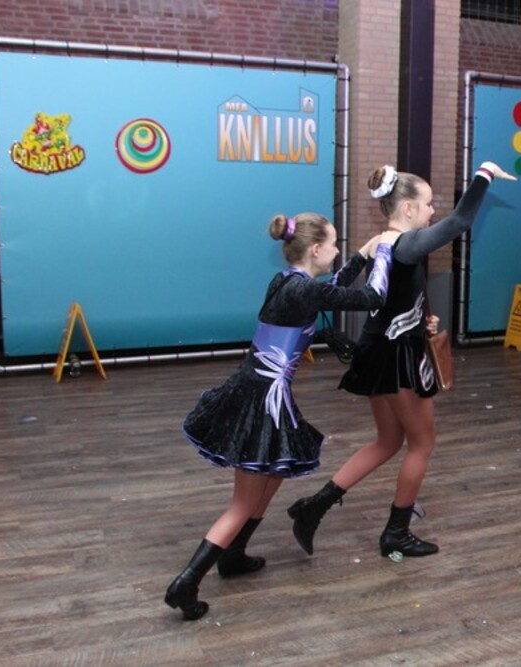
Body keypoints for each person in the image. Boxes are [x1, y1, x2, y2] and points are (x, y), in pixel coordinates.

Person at [164, 213, 398, 621]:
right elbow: (373, 297)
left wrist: (361, 255)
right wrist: (385, 255)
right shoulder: (304, 290)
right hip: (262, 399)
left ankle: (234, 554)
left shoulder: (287, 281)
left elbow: (326, 294)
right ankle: (186, 583)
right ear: (315, 249)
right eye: (334, 244)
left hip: (253, 390)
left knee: (272, 475)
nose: (337, 251)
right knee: (243, 502)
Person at [287, 161, 515, 559]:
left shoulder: (383, 242)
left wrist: (418, 318)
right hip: (394, 357)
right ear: (407, 208)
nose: (432, 211)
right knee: (422, 444)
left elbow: (388, 298)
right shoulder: (405, 244)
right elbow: (460, 221)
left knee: (389, 441)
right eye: (428, 204)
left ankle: (314, 506)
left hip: (378, 349)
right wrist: (485, 174)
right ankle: (396, 533)